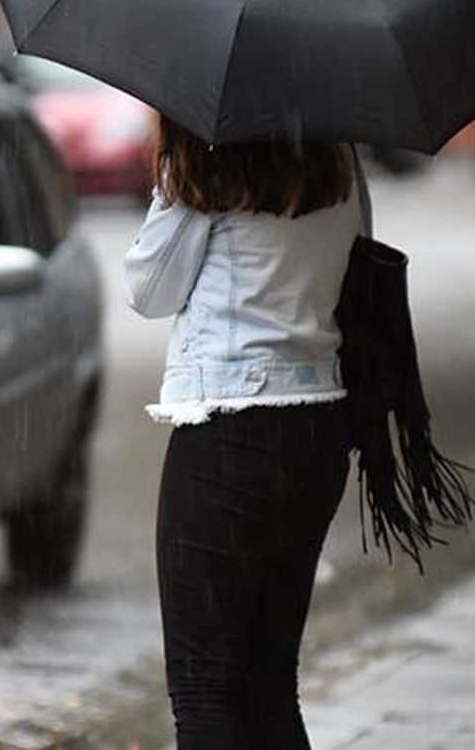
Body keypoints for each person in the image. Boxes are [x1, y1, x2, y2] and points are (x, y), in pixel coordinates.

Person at [124, 116, 367, 749]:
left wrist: (172, 181)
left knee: (205, 689)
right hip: (316, 428)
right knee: (269, 682)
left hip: (231, 432)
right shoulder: (336, 163)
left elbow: (148, 290)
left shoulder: (209, 168)